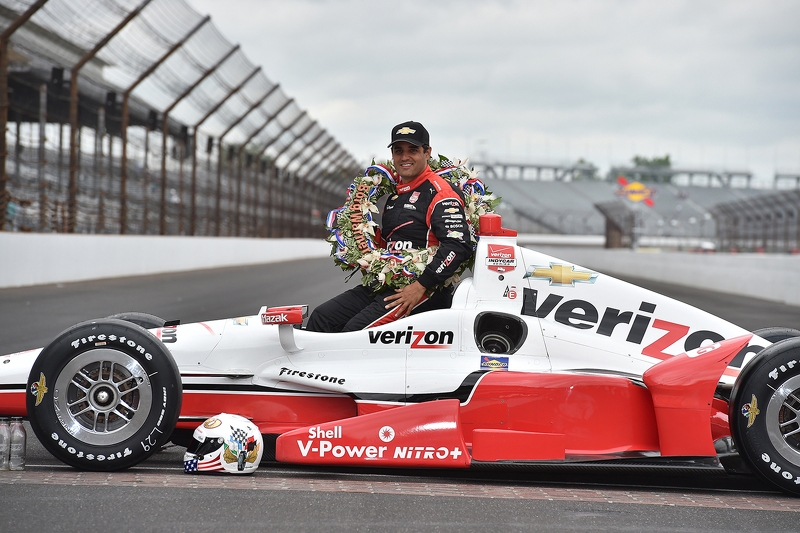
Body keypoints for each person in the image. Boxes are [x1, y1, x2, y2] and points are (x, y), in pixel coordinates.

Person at [306, 121, 473, 332]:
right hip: (388, 285)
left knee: (354, 332)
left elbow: (458, 246)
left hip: (425, 289)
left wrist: (421, 286)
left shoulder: (441, 192)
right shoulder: (395, 194)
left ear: (427, 152)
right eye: (398, 151)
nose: (405, 157)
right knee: (322, 318)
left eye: (413, 150)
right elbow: (392, 243)